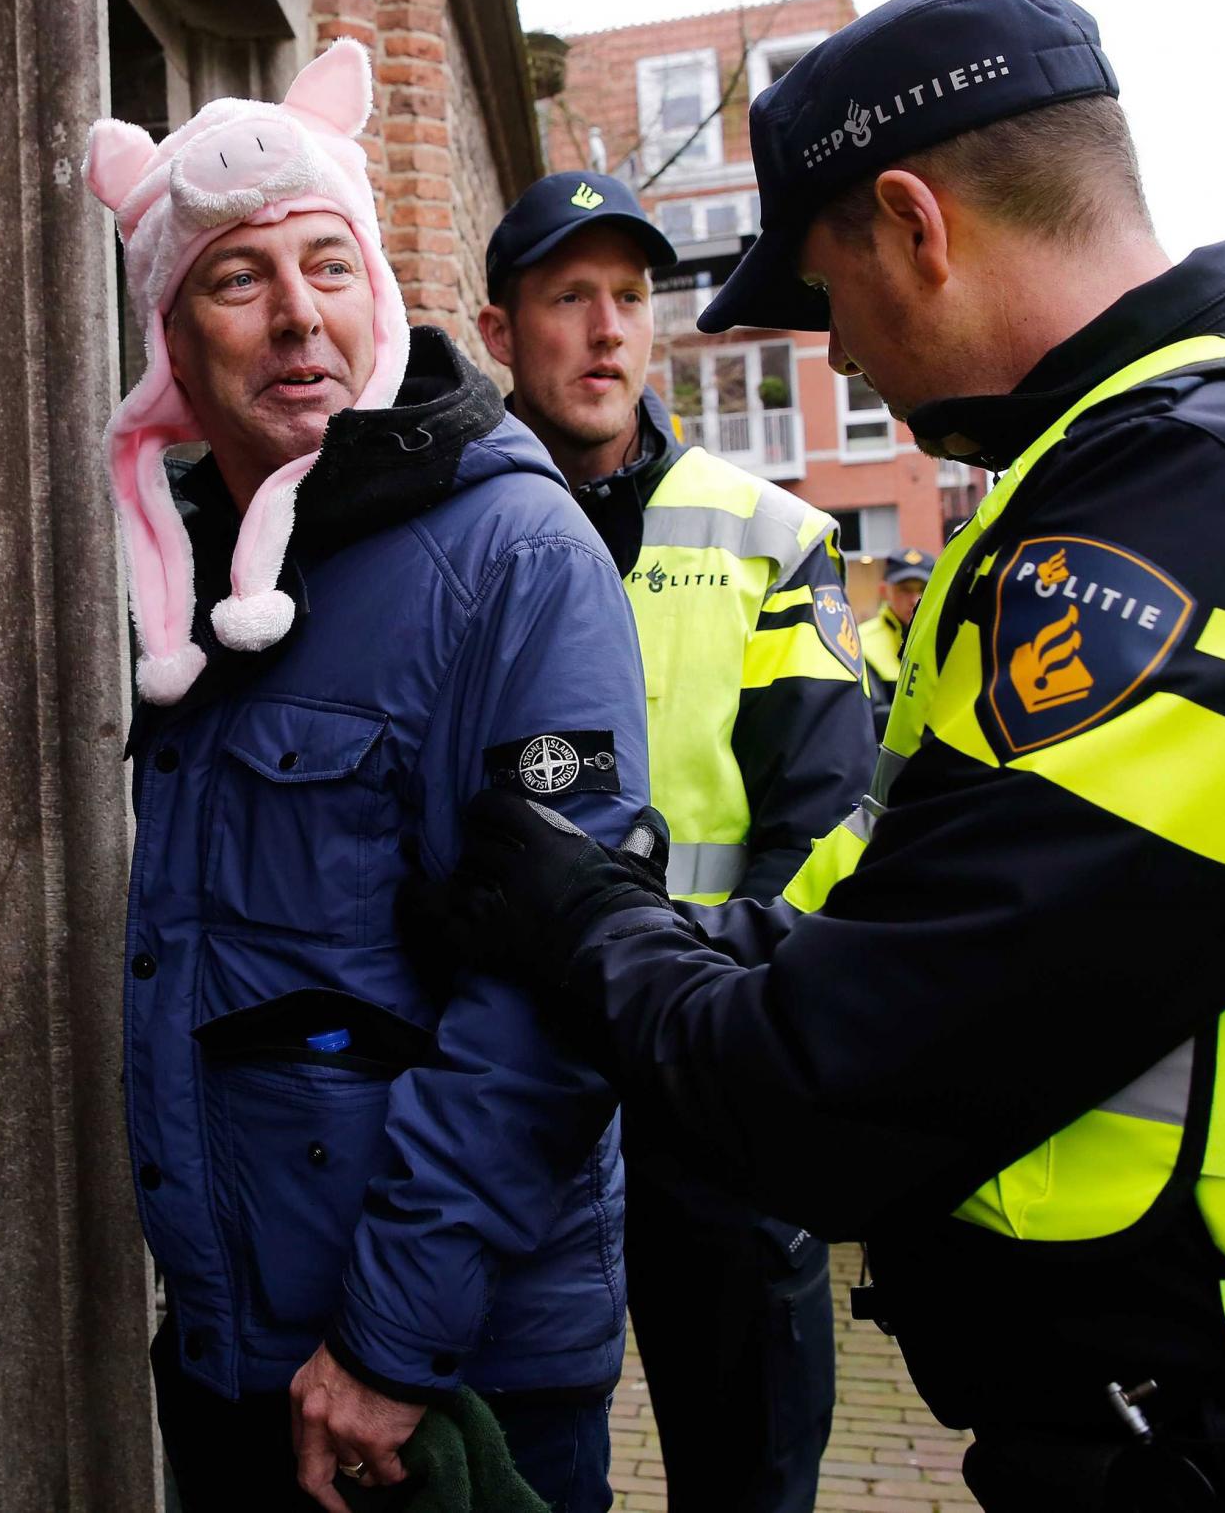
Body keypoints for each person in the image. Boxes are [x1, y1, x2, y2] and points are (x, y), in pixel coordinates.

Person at [404, 0, 1225, 1509]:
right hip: (1223, 1406)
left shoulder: (1209, 518)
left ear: (916, 223)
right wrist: (665, 928)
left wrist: (586, 922)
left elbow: (825, 1086)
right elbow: (878, 903)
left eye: (829, 299)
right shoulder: (1174, 470)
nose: (838, 362)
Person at [86, 41, 645, 1513]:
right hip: (238, 1349)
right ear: (172, 337)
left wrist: (389, 1343)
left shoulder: (516, 558)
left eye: (330, 265)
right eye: (237, 280)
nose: (297, 319)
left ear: (383, 294)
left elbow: (549, 997)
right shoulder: (182, 578)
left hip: (438, 1382)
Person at [478, 170, 874, 1513]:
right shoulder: (450, 538)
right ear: (498, 332)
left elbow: (825, 821)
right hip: (511, 1081)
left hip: (713, 1069)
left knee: (749, 1468)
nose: (605, 330)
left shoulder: (771, 536)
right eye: (568, 296)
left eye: (630, 298)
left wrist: (684, 984)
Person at [863, 544, 930, 733]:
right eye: (905, 589)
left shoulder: (948, 637)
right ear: (885, 591)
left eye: (923, 589)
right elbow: (870, 718)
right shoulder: (861, 641)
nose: (915, 599)